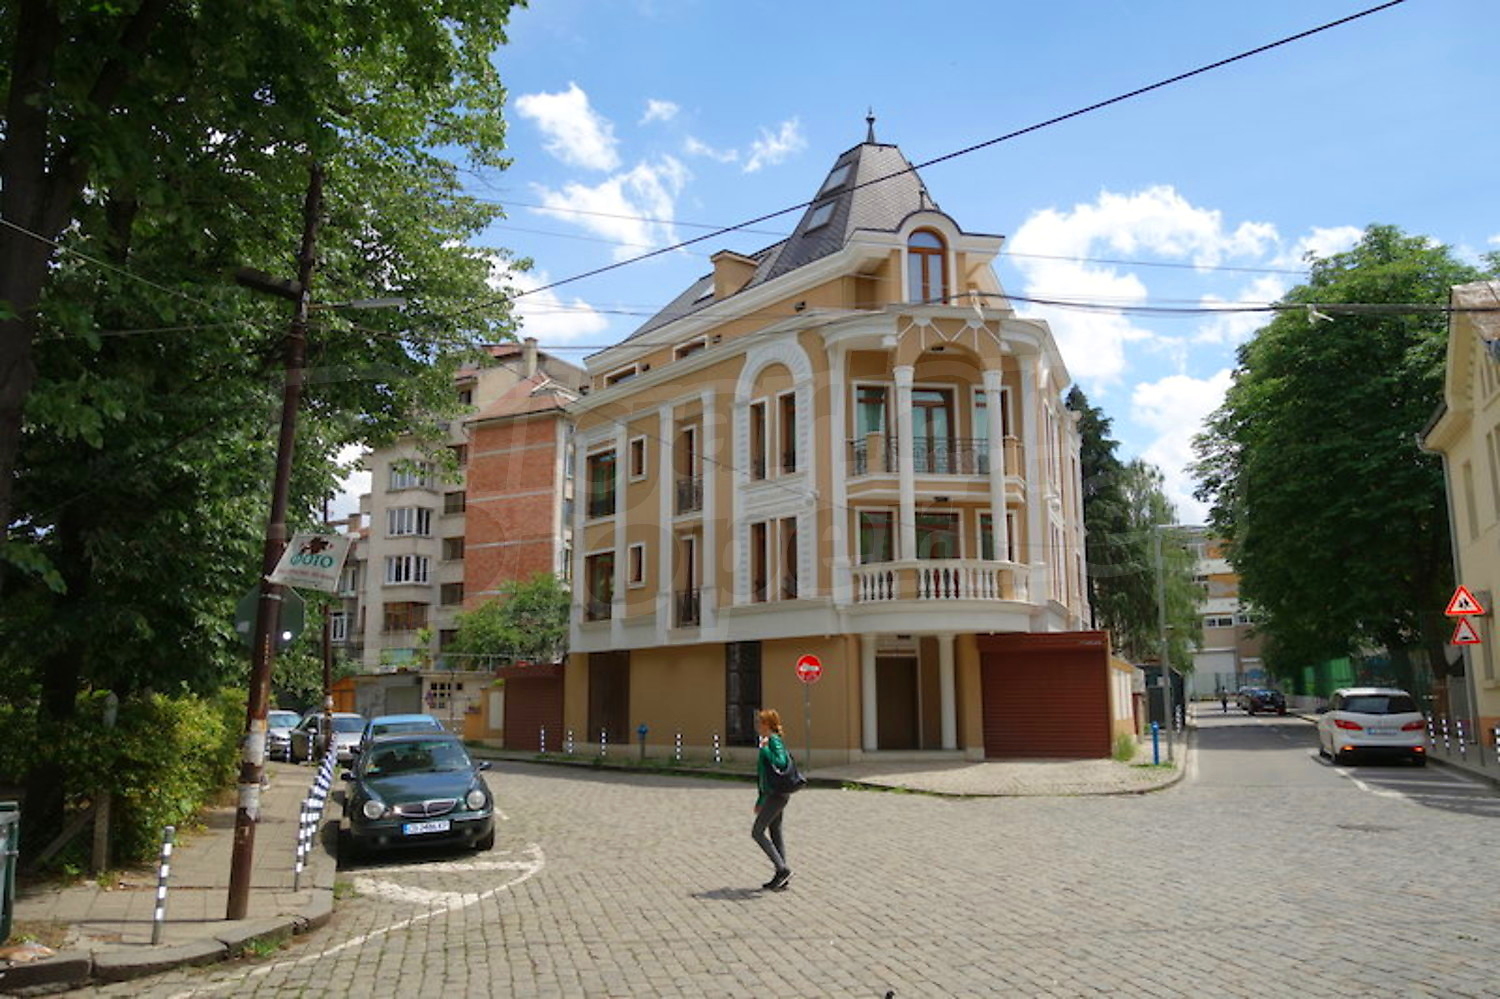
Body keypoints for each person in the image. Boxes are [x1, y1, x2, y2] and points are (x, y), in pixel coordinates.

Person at [752, 708, 793, 891]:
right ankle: (781, 876)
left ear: (767, 724)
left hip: (776, 795)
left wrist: (765, 750)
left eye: (759, 722)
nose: (757, 726)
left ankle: (783, 870)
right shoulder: (768, 740)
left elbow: (781, 762)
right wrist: (760, 800)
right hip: (772, 794)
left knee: (757, 832)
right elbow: (763, 776)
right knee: (775, 832)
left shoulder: (773, 740)